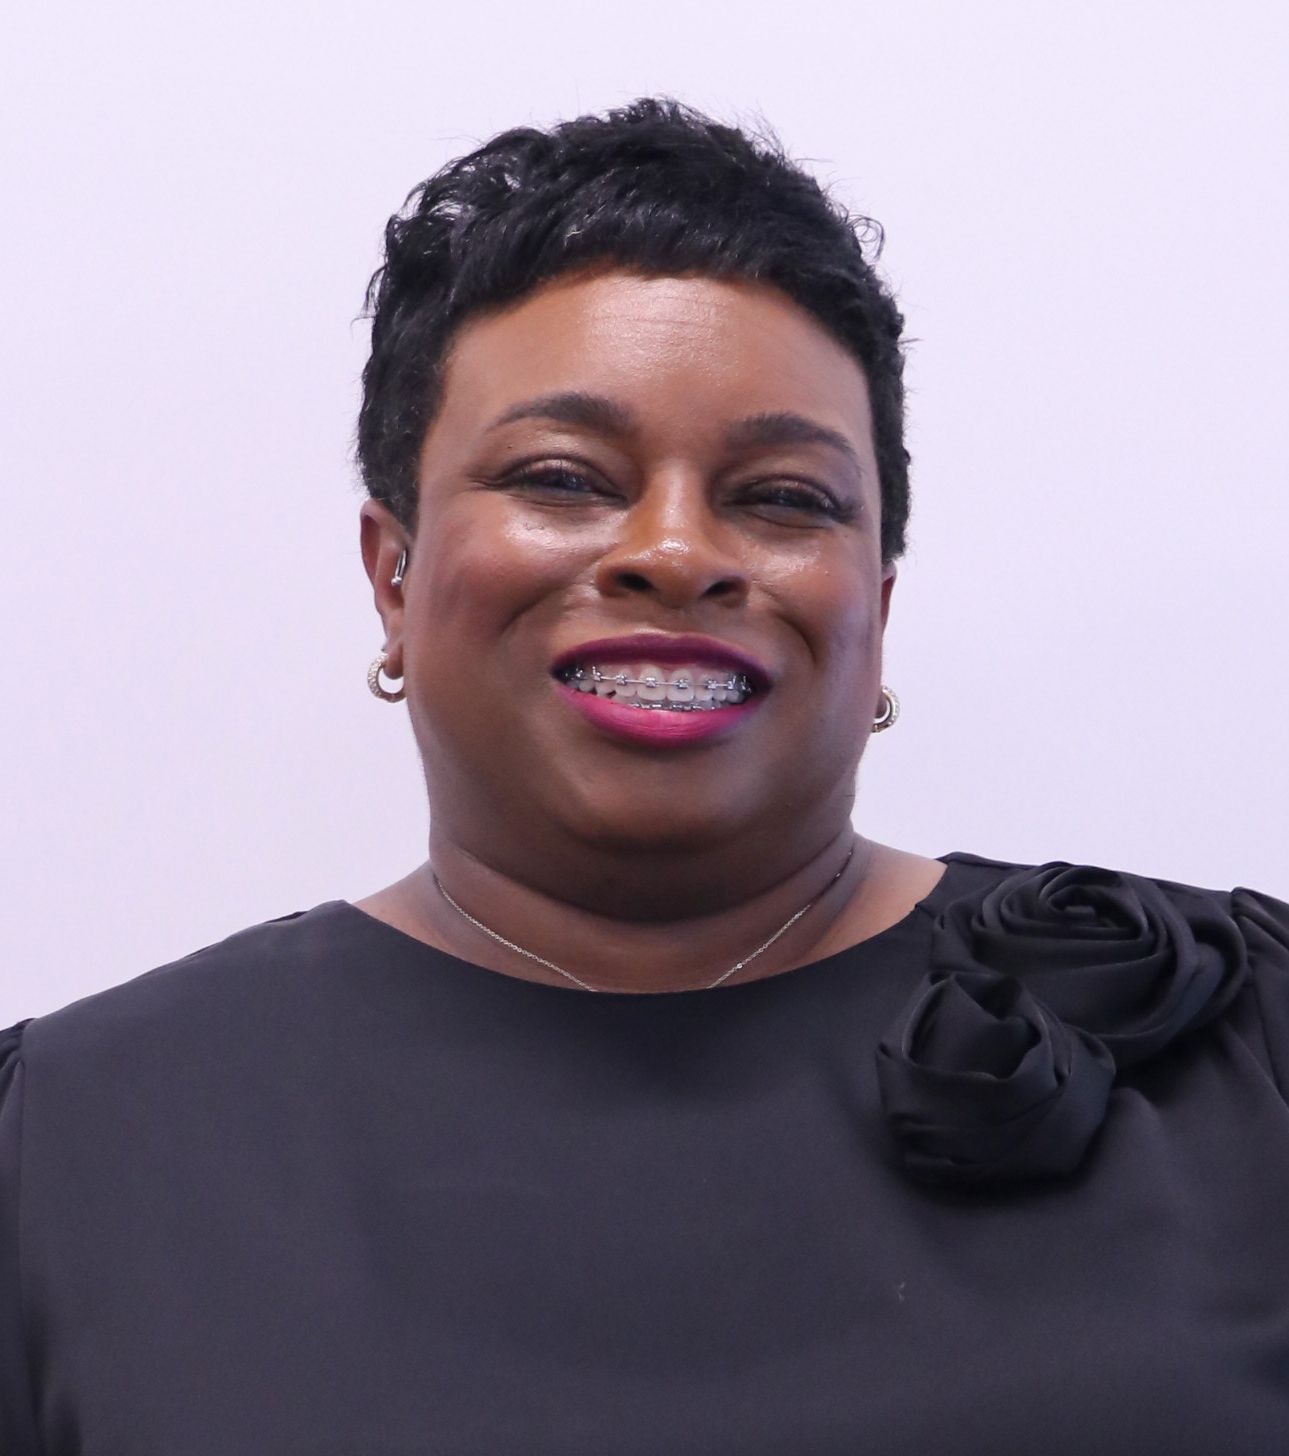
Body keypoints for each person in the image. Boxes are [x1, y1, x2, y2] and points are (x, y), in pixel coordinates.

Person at [2, 96, 1287, 1454]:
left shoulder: (1249, 1051)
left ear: (875, 610)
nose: (676, 554)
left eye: (782, 497)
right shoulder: (70, 1158)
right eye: (564, 476)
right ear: (392, 574)